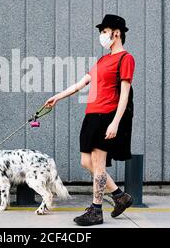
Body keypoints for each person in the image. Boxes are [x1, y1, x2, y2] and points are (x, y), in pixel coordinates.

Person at [44, 14, 135, 226]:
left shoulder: (125, 59)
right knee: (86, 162)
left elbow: (124, 94)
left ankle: (96, 210)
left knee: (99, 165)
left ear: (117, 33)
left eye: (104, 32)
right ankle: (120, 196)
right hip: (91, 115)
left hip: (107, 116)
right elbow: (79, 84)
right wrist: (57, 97)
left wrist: (115, 122)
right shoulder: (102, 60)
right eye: (101, 32)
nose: (102, 36)